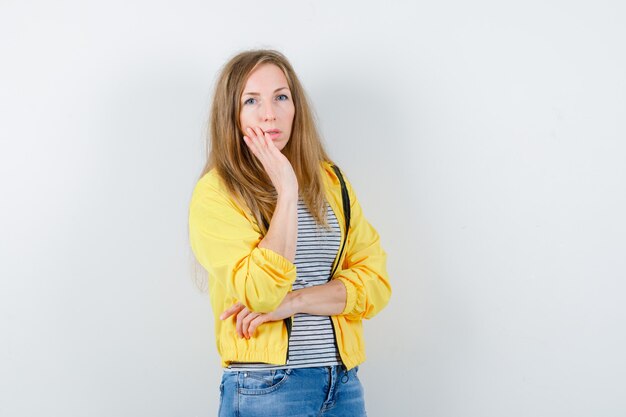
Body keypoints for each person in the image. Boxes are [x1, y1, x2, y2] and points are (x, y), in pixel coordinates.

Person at [188, 49, 391, 417]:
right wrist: (286, 190)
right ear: (231, 115)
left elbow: (375, 284)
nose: (270, 113)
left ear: (296, 107)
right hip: (267, 386)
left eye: (281, 96)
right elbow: (262, 293)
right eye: (252, 100)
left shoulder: (332, 182)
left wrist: (295, 302)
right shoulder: (217, 192)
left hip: (342, 383)